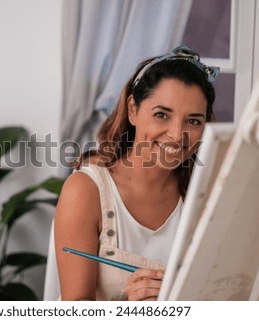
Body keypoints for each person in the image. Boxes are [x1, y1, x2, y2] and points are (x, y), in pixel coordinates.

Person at [53, 46, 219, 301]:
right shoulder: (86, 190)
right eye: (162, 115)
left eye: (193, 121)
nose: (177, 134)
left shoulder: (208, 191)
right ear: (133, 110)